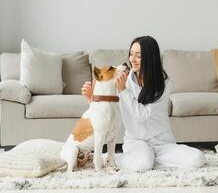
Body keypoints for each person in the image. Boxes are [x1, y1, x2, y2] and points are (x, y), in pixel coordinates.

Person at [81, 36, 205, 171]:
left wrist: (123, 91)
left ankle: (150, 160)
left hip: (162, 143)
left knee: (198, 158)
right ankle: (108, 158)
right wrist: (91, 99)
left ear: (150, 58)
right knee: (143, 165)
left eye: (138, 56)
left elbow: (142, 115)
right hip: (136, 142)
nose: (132, 59)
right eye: (131, 54)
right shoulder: (124, 79)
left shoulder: (163, 84)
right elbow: (107, 110)